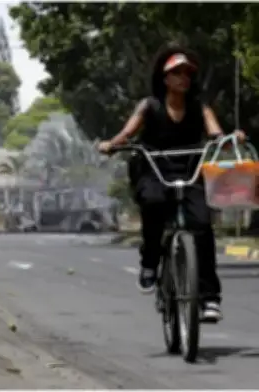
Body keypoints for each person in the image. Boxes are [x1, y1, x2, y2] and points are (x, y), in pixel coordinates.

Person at [97, 44, 246, 322]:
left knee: (202, 225)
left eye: (187, 73)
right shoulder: (149, 105)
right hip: (154, 166)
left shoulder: (199, 106)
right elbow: (127, 133)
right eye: (176, 72)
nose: (183, 78)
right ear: (164, 78)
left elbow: (215, 132)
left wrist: (228, 139)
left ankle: (209, 298)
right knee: (153, 203)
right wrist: (111, 144)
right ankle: (150, 264)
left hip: (190, 168)